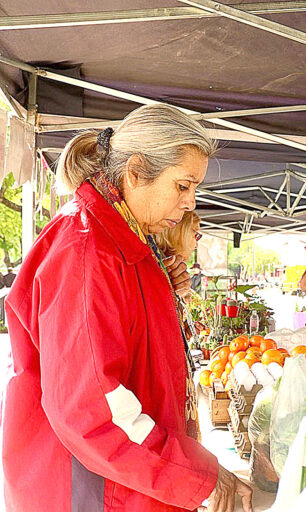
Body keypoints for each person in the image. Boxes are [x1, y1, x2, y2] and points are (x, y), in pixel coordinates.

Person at [2, 104, 252, 512]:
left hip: (125, 483)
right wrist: (195, 474)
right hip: (91, 490)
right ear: (135, 172)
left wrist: (165, 296)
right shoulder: (86, 248)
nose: (190, 203)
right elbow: (92, 409)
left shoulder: (124, 237)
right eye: (183, 186)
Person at [155, 210, 202, 299]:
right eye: (196, 235)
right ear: (180, 233)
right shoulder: (157, 267)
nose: (196, 245)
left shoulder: (160, 262)